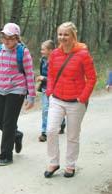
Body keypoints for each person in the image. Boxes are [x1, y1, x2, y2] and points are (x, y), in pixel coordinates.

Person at [44, 22, 96, 178]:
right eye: (60, 34)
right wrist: (49, 91)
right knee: (51, 131)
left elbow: (92, 78)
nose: (62, 37)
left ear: (73, 36)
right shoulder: (54, 54)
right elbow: (52, 74)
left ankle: (70, 165)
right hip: (57, 99)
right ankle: (53, 162)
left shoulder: (83, 54)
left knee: (72, 136)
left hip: (76, 102)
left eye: (66, 34)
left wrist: (83, 97)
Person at [0, 23, 36, 166]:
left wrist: (31, 96)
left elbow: (29, 74)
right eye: (4, 37)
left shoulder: (23, 52)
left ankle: (5, 155)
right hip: (2, 89)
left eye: (10, 38)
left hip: (17, 90)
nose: (7, 41)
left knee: (8, 123)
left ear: (17, 38)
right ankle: (16, 135)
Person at [36, 40, 66, 142]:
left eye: (43, 49)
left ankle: (62, 123)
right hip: (45, 89)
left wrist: (43, 78)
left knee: (57, 109)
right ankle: (44, 132)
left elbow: (58, 78)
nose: (41, 51)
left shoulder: (58, 61)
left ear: (50, 50)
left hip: (56, 89)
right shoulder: (43, 61)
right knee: (45, 110)